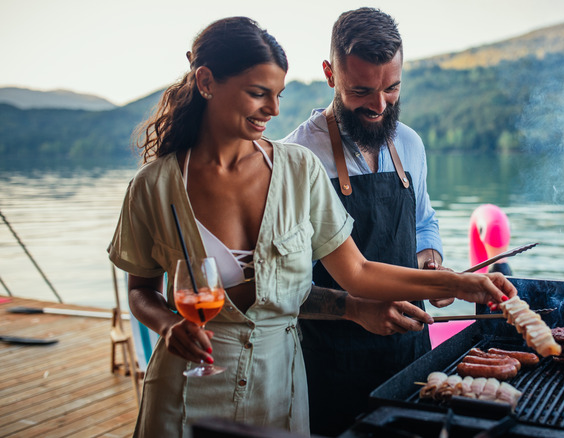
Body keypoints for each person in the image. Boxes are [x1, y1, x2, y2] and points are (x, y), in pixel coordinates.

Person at [107, 16, 515, 438]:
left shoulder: (296, 169)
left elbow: (358, 270)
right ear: (206, 82)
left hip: (280, 389)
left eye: (278, 94)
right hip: (190, 392)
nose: (275, 109)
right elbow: (141, 290)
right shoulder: (153, 187)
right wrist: (168, 324)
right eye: (258, 94)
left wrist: (461, 283)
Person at [282, 8, 452, 435]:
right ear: (329, 74)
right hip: (331, 365)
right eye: (361, 91)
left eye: (392, 88)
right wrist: (355, 309)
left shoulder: (410, 144)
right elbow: (283, 289)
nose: (379, 106)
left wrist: (429, 263)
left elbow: (424, 220)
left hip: (411, 356)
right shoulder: (297, 159)